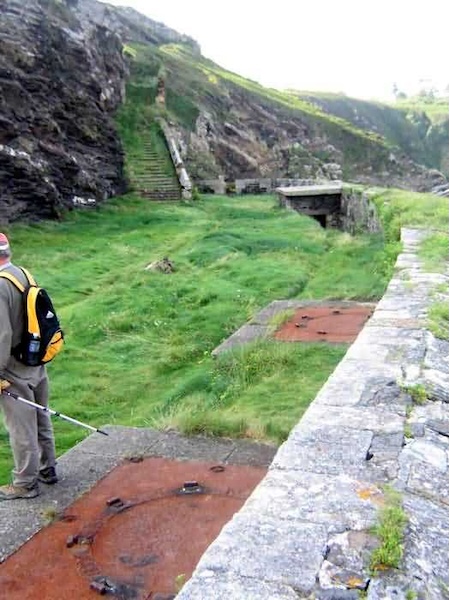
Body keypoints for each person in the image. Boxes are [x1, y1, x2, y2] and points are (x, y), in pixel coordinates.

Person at [0, 232, 58, 500]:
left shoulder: (0, 286)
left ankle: (25, 483)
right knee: (41, 415)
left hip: (13, 367)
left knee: (21, 427)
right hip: (35, 359)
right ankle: (48, 468)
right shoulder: (23, 273)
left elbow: (2, 335)